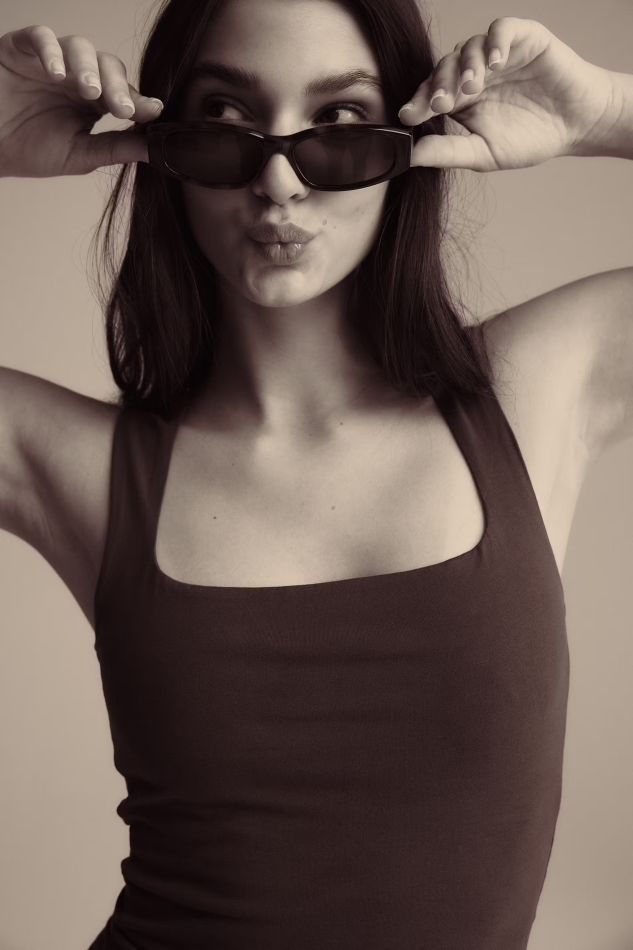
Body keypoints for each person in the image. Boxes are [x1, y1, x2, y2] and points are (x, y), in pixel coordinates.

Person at [0, 1, 631, 948]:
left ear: (408, 136)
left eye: (337, 122)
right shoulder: (79, 463)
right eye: (224, 120)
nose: (279, 181)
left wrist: (604, 113)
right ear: (163, 145)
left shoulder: (534, 391)